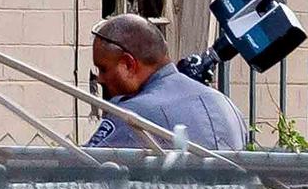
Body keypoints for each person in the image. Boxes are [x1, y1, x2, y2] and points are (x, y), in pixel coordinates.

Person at [86, 13, 246, 150]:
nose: (100, 79)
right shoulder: (227, 106)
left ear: (129, 65)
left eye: (103, 69)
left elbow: (80, 174)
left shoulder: (132, 116)